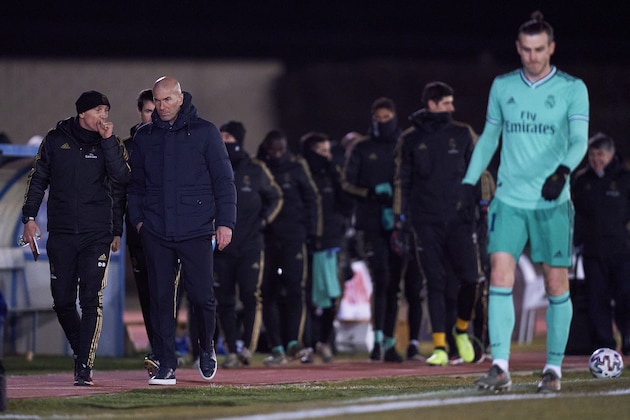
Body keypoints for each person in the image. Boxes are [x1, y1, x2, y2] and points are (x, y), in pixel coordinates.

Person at [463, 11, 589, 393]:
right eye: (527, 50)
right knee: (500, 274)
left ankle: (553, 369)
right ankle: (500, 366)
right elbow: (489, 137)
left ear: (551, 48)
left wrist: (562, 172)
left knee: (555, 285)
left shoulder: (572, 87)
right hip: (509, 199)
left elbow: (579, 140)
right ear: (518, 49)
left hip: (552, 202)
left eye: (540, 50)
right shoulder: (503, 86)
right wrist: (469, 181)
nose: (533, 57)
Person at [127, 76, 236, 385]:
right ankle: (166, 363)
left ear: (179, 98)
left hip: (197, 229)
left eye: (167, 100)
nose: (161, 107)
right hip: (156, 230)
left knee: (202, 297)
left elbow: (224, 182)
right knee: (160, 299)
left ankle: (206, 347)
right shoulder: (145, 137)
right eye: (156, 102)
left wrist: (226, 223)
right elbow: (135, 187)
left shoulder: (205, 133)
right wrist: (140, 222)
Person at [21, 90, 130, 386]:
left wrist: (107, 143)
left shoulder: (111, 142)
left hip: (97, 234)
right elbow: (38, 178)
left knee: (91, 299)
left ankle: (84, 365)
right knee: (63, 301)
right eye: (98, 110)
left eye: (106, 110)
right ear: (82, 113)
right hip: (62, 233)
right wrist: (28, 218)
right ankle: (82, 349)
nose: (104, 116)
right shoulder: (55, 140)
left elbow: (122, 179)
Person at [394, 81, 479, 366]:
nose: (452, 108)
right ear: (432, 104)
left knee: (469, 278)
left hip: (460, 220)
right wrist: (399, 218)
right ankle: (441, 347)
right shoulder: (409, 139)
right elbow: (401, 180)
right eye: (446, 103)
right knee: (436, 283)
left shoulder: (463, 133)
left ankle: (462, 330)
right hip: (425, 221)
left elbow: (481, 172)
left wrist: (484, 205)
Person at [215, 121, 283, 368]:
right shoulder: (214, 167)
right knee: (224, 299)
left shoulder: (255, 169)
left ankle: (247, 348)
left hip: (251, 246)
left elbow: (275, 196)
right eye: (221, 135)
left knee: (250, 296)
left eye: (229, 136)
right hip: (222, 247)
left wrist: (263, 220)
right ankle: (231, 349)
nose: (224, 140)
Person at [342, 97, 404, 362]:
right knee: (382, 279)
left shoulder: (404, 145)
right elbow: (346, 182)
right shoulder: (362, 148)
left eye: (386, 118)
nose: (381, 122)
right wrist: (371, 193)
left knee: (395, 284)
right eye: (377, 118)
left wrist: (399, 205)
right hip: (370, 223)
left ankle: (390, 340)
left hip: (400, 223)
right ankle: (378, 338)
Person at [257, 129, 321, 366]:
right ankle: (277, 346)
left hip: (294, 237)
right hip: (268, 239)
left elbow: (311, 198)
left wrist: (312, 232)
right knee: (268, 292)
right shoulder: (261, 168)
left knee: (295, 289)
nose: (276, 155)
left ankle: (294, 341)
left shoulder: (296, 167)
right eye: (272, 151)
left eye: (280, 151)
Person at [571, 133, 630, 355]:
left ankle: (628, 336)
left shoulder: (624, 178)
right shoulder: (582, 180)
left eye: (601, 154)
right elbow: (575, 214)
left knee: (625, 296)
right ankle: (604, 343)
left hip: (622, 250)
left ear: (611, 154)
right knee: (597, 299)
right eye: (593, 154)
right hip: (592, 251)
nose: (596, 159)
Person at [299, 131, 354, 363]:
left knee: (332, 297)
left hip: (331, 245)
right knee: (307, 297)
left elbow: (348, 204)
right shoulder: (301, 175)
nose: (327, 156)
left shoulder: (334, 175)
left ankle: (325, 341)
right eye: (322, 152)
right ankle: (308, 345)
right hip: (306, 245)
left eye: (328, 151)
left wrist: (336, 175)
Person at [122, 88, 159, 376]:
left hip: (170, 232)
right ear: (140, 112)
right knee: (146, 293)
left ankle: (167, 349)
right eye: (149, 110)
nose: (154, 115)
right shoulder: (126, 147)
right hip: (138, 234)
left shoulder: (175, 142)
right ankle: (159, 350)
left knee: (170, 292)